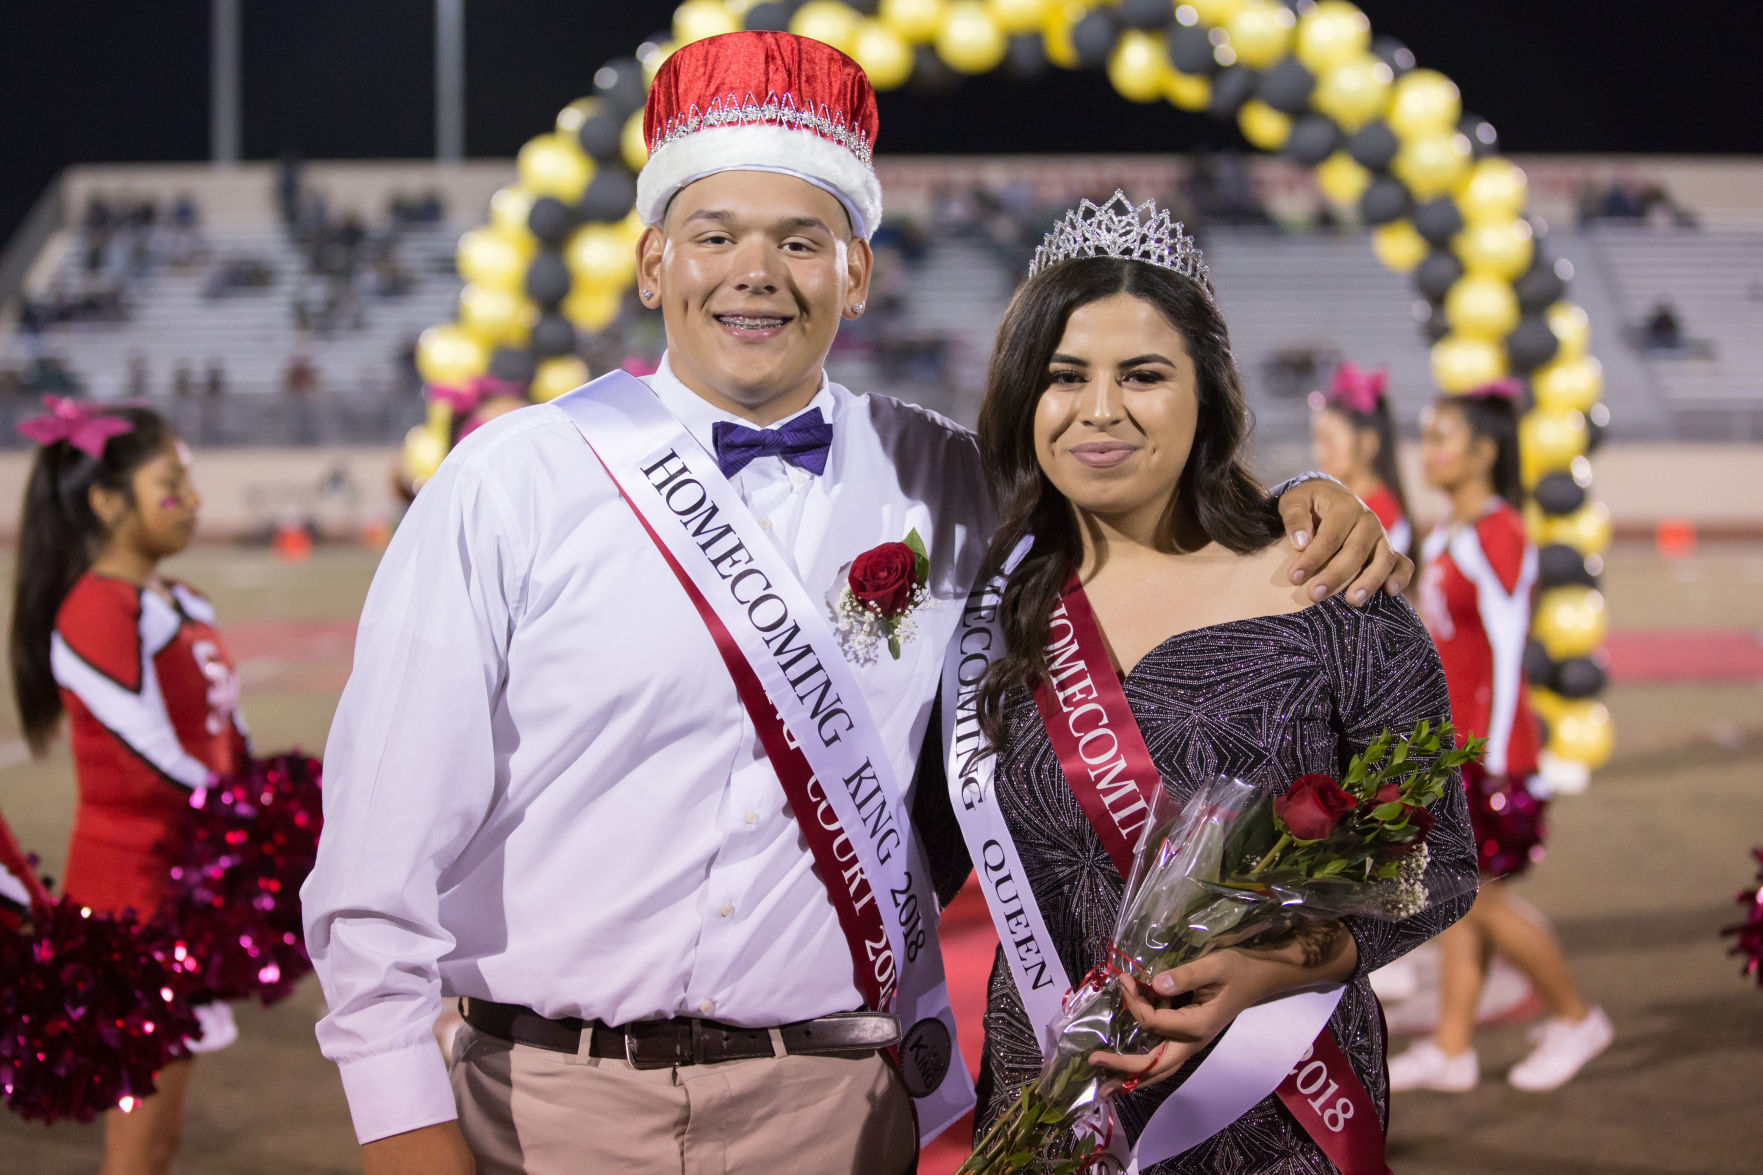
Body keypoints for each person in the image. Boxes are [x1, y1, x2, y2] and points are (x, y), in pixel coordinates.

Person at [300, 34, 1410, 1175]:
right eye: (713, 236)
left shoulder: (947, 478)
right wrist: (402, 1128)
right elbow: (372, 863)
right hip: (542, 1106)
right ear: (650, 264)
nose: (755, 273)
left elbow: (1135, 492)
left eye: (799, 240)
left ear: (857, 272)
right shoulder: (508, 482)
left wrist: (1295, 503)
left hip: (833, 1114)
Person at [949, 194, 1477, 1172]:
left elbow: (1437, 861)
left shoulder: (1335, 595)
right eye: (1064, 375)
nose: (1098, 409)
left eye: (1143, 375)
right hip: (1046, 1114)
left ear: (1209, 394)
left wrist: (1274, 964)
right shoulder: (988, 606)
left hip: (1278, 1112)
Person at [7, 397, 247, 1175]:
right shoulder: (95, 608)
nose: (193, 499)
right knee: (137, 1148)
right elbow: (147, 754)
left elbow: (225, 738)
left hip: (185, 882)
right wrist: (247, 814)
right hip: (129, 899)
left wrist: (259, 808)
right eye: (171, 483)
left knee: (160, 1138)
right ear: (108, 501)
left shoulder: (181, 599)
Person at [1387, 382, 1613, 1093]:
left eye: (1442, 437)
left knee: (1481, 900)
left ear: (1484, 451)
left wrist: (1496, 759)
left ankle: (1576, 1017)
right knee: (1459, 898)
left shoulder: (1499, 532)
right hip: (1452, 748)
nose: (1428, 451)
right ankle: (1451, 1048)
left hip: (1487, 755)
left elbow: (1512, 652)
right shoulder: (1448, 533)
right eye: (1426, 436)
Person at [1309, 359, 1411, 557]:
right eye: (1316, 440)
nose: (1319, 453)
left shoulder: (1378, 515)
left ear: (1367, 442)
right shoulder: (1347, 507)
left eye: (1328, 440)